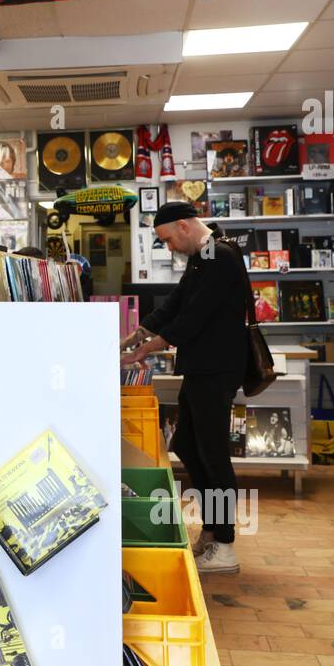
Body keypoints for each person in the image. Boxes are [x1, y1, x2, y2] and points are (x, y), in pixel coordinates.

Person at [121, 201, 248, 574]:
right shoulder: (202, 256)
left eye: (168, 239)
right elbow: (176, 304)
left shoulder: (220, 256)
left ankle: (225, 545)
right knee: (188, 445)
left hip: (217, 370)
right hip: (200, 369)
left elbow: (192, 319)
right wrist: (134, 336)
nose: (169, 247)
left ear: (184, 226)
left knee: (212, 453)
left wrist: (141, 351)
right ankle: (212, 530)